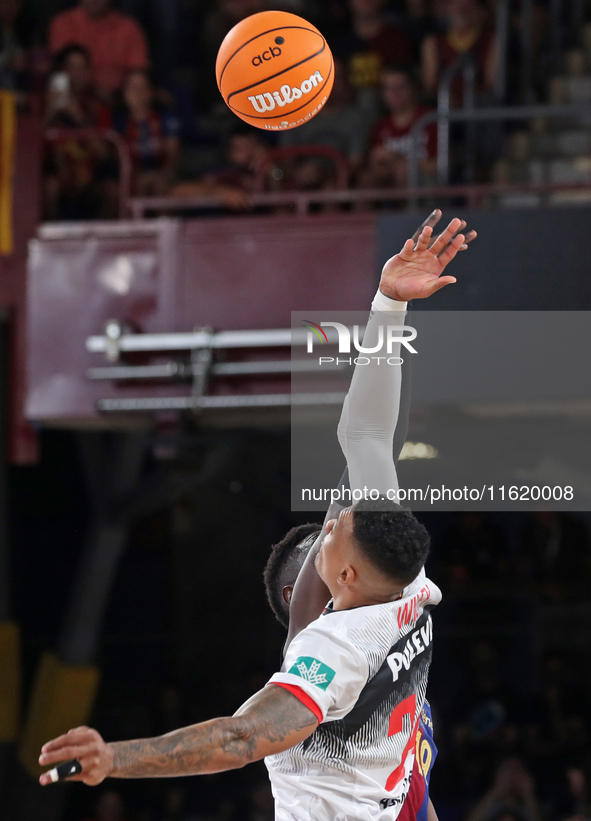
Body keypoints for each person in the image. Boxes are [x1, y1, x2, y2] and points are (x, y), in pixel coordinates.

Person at [39, 216, 472, 820]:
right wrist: (387, 306)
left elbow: (241, 739)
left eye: (330, 528)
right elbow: (369, 434)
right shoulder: (390, 582)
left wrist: (117, 758)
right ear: (318, 588)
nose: (334, 515)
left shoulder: (364, 608)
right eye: (326, 533)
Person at [44, 44, 113, 219]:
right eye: (71, 67)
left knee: (111, 190)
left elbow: (104, 153)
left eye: (82, 68)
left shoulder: (98, 108)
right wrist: (50, 113)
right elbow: (31, 150)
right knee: (50, 187)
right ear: (61, 72)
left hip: (91, 179)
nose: (76, 74)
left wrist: (80, 118)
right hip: (58, 176)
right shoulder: (43, 105)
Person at [356, 65, 437, 190]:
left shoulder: (430, 120)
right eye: (388, 89)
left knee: (402, 171)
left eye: (400, 87)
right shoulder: (380, 125)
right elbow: (374, 165)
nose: (395, 93)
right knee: (366, 180)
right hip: (390, 183)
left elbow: (440, 165)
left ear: (413, 88)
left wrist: (399, 160)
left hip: (427, 183)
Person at [48, 0, 149, 99]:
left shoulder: (129, 28)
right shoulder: (63, 23)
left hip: (119, 102)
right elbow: (56, 71)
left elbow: (139, 73)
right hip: (73, 100)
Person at [111, 69, 180, 197]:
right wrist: (135, 177)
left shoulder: (165, 119)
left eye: (143, 87)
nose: (138, 93)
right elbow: (117, 158)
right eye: (133, 88)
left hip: (161, 175)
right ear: (124, 92)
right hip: (131, 177)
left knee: (163, 188)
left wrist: (164, 175)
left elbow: (173, 154)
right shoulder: (118, 122)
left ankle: (163, 217)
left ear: (151, 91)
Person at [421, 0, 497, 106]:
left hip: (478, 105)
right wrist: (447, 96)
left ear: (480, 10)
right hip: (443, 104)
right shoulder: (433, 42)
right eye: (455, 4)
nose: (460, 9)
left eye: (466, 5)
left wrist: (465, 99)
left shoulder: (491, 40)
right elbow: (429, 85)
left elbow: (490, 84)